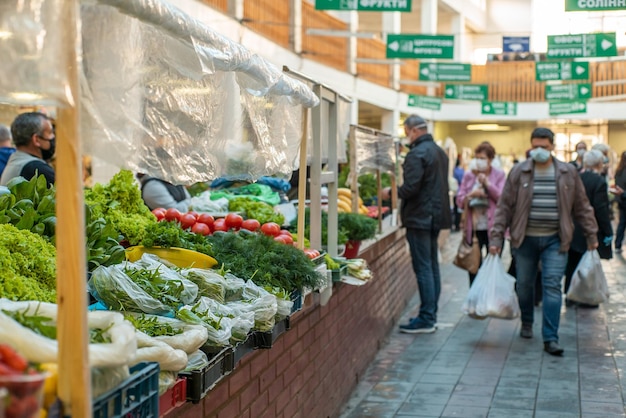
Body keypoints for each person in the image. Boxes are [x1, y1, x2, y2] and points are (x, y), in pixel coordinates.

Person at [490, 127, 598, 356]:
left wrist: (592, 235)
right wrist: (497, 237)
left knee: (551, 286)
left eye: (544, 147)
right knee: (525, 285)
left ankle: (551, 337)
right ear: (530, 146)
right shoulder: (519, 172)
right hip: (524, 239)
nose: (539, 151)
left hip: (555, 241)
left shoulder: (568, 173)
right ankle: (527, 321)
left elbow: (582, 206)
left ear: (552, 147)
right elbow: (504, 207)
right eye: (535, 147)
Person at [382, 114, 451, 334]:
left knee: (423, 268)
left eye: (406, 131)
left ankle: (426, 318)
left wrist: (390, 193)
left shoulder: (416, 154)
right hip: (435, 216)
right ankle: (431, 314)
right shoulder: (439, 152)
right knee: (431, 266)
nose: (406, 135)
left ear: (413, 130)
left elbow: (411, 188)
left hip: (420, 217)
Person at [563, 149, 613, 308]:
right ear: (599, 164)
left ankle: (570, 295)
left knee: (572, 262)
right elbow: (601, 209)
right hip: (590, 228)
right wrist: (607, 230)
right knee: (588, 265)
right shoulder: (598, 182)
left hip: (573, 227)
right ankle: (586, 296)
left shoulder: (576, 178)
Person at [456, 142, 506, 286]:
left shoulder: (499, 175)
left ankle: (490, 298)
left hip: (493, 228)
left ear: (490, 159)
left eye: (483, 158)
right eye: (477, 157)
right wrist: (472, 194)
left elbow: (502, 198)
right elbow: (460, 200)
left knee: (492, 266)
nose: (479, 161)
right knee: (474, 266)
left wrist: (488, 185)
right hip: (474, 229)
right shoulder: (468, 176)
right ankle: (475, 298)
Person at [0, 112, 55, 187]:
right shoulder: (36, 168)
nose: (53, 137)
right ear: (36, 140)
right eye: (50, 133)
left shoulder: (17, 160)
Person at [614, 151, 626, 253]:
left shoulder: (619, 171)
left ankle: (617, 245)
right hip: (623, 198)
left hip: (621, 201)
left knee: (621, 223)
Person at [452, 158, 465, 231]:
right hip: (460, 192)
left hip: (456, 192)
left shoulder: (454, 171)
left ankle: (456, 224)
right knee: (459, 211)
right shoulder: (462, 171)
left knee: (455, 210)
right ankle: (458, 225)